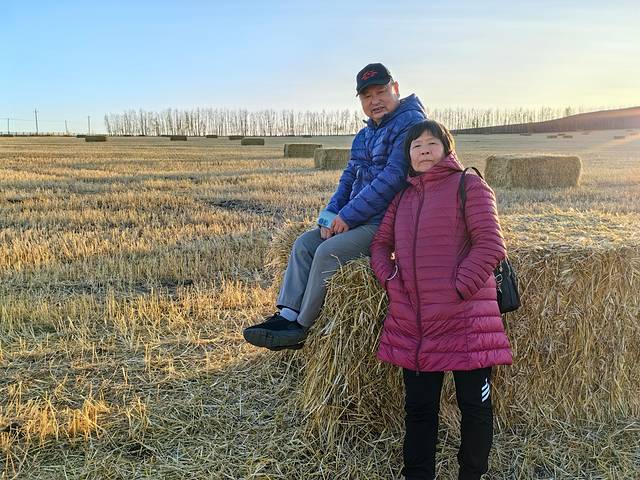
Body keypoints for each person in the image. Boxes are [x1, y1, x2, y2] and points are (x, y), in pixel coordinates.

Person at [243, 63, 427, 351]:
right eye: (367, 96)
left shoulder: (412, 126)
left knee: (328, 252)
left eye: (381, 92)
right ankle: (286, 315)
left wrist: (348, 216)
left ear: (396, 89)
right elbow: (348, 178)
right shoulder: (364, 135)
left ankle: (301, 327)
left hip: (388, 220)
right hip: (358, 217)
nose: (375, 101)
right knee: (305, 244)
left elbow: (392, 178)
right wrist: (330, 215)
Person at [369, 120, 513, 480]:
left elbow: (491, 245)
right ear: (408, 155)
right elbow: (380, 245)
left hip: (466, 321)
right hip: (416, 324)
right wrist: (390, 279)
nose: (423, 150)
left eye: (431, 143)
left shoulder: (470, 185)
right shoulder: (402, 198)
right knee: (419, 410)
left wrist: (458, 289)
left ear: (447, 149)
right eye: (416, 145)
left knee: (474, 407)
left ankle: (471, 475)